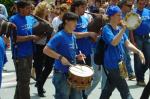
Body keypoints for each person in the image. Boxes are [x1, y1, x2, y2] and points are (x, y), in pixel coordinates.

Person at [43, 12, 95, 99]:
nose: (76, 23)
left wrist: (77, 56)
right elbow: (46, 50)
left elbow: (70, 53)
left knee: (77, 97)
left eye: (77, 21)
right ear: (66, 21)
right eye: (74, 21)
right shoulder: (59, 36)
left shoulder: (73, 36)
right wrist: (60, 57)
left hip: (72, 73)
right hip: (61, 74)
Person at [100, 5, 145, 99]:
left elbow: (127, 43)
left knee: (108, 89)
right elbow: (114, 42)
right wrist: (124, 29)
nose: (121, 17)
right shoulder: (106, 29)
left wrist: (138, 51)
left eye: (121, 15)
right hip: (112, 64)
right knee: (125, 91)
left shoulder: (119, 29)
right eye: (118, 15)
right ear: (112, 16)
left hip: (121, 64)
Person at [9, 1, 40, 99]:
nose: (30, 10)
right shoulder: (13, 19)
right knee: (24, 81)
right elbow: (15, 39)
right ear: (21, 9)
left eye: (31, 8)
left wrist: (40, 35)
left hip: (29, 53)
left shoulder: (30, 18)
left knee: (22, 81)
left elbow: (38, 29)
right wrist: (30, 37)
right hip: (19, 54)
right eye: (28, 8)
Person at [70, 0, 97, 98]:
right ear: (76, 7)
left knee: (86, 80)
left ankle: (83, 96)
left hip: (87, 52)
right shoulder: (72, 19)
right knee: (77, 81)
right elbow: (72, 34)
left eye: (85, 7)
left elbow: (88, 33)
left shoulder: (84, 19)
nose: (85, 9)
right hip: (77, 55)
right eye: (83, 7)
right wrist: (88, 34)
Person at [32, 1, 54, 97]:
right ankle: (40, 88)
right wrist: (44, 33)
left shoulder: (48, 18)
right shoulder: (35, 19)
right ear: (41, 9)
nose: (49, 10)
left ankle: (39, 83)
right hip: (39, 46)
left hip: (49, 46)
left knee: (49, 66)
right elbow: (35, 33)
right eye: (47, 8)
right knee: (39, 68)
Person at [132, 0, 150, 86]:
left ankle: (140, 74)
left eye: (144, 3)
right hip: (137, 38)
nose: (142, 5)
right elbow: (131, 28)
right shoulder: (133, 12)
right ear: (137, 3)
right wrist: (133, 41)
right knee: (138, 60)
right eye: (140, 3)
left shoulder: (148, 11)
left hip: (147, 38)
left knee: (148, 59)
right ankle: (140, 79)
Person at [118, 0, 136, 80]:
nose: (130, 7)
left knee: (127, 56)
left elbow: (131, 29)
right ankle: (123, 74)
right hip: (118, 40)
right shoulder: (117, 15)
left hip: (126, 39)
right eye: (128, 6)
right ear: (123, 6)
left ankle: (129, 73)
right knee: (122, 57)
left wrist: (132, 40)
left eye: (130, 6)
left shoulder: (128, 15)